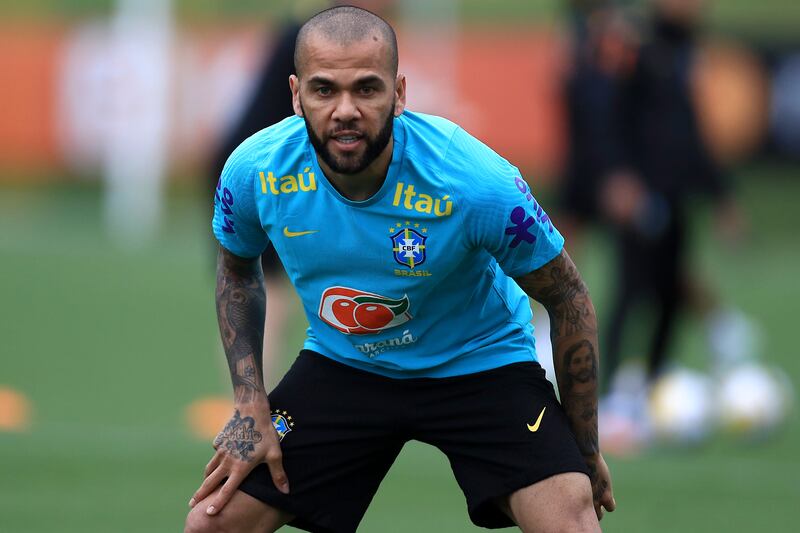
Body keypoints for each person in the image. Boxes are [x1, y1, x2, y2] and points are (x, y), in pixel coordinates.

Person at [186, 6, 615, 533]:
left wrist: (583, 448)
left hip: (480, 363)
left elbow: (569, 296)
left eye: (367, 89)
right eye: (324, 91)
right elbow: (236, 270)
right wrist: (250, 403)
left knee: (570, 520)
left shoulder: (473, 182)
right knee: (212, 522)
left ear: (400, 93)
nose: (345, 110)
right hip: (345, 363)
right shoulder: (254, 171)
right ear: (296, 95)